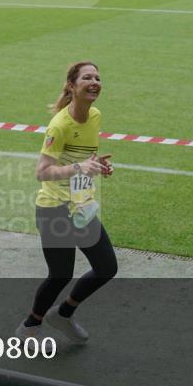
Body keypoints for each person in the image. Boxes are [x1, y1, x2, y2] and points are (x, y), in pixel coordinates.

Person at [17, 61, 117, 343]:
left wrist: (97, 166)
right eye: (87, 77)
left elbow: (81, 160)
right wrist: (78, 168)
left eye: (98, 77)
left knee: (107, 268)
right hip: (54, 210)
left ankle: (63, 314)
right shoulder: (59, 125)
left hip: (81, 207)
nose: (95, 81)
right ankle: (30, 326)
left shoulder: (95, 116)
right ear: (72, 86)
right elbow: (42, 171)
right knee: (60, 274)